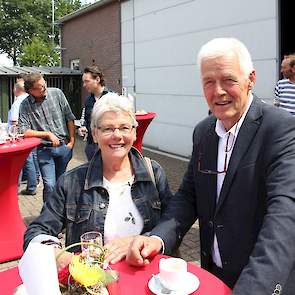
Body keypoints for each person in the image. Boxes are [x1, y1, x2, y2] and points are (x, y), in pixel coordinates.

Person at [126, 38, 295, 294]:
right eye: (208, 82)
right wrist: (157, 238)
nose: (218, 91)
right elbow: (189, 196)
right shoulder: (203, 132)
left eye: (228, 79)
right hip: (213, 275)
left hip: (260, 280)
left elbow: (283, 218)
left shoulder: (280, 129)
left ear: (251, 78)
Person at [23, 93, 172, 268]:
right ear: (95, 134)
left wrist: (142, 240)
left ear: (134, 132)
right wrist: (63, 257)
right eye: (108, 129)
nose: (117, 135)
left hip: (146, 279)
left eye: (124, 127)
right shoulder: (71, 182)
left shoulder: (153, 173)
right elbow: (36, 232)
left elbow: (171, 224)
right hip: (93, 284)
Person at [18, 73, 76, 202]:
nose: (45, 88)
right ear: (31, 91)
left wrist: (72, 141)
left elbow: (69, 117)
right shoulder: (25, 105)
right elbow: (23, 130)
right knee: (49, 184)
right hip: (44, 150)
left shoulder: (57, 93)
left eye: (44, 85)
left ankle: (59, 214)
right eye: (41, 87)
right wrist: (47, 134)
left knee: (61, 184)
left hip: (64, 147)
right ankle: (49, 216)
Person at [8, 76, 40, 195]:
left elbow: (15, 123)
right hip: (32, 134)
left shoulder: (18, 103)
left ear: (17, 89)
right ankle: (33, 184)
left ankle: (16, 188)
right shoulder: (30, 99)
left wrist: (13, 136)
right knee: (31, 159)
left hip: (22, 135)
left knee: (24, 161)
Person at [78, 65, 110, 161]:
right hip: (92, 146)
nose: (84, 85)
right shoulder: (88, 100)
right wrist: (83, 127)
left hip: (108, 145)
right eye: (83, 82)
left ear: (97, 79)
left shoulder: (112, 98)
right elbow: (86, 119)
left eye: (87, 81)